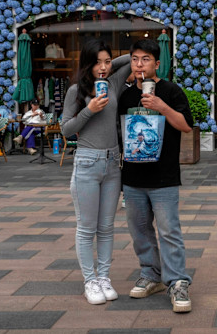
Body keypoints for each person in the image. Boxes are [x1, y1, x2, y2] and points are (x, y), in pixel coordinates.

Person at [118, 39, 194, 312]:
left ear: (157, 63)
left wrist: (162, 107)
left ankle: (177, 282)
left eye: (146, 59)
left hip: (164, 177)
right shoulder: (125, 96)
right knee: (139, 230)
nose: (140, 64)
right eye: (135, 59)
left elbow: (186, 126)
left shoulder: (172, 91)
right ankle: (151, 274)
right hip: (133, 177)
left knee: (169, 231)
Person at [61, 39, 131, 305]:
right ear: (87, 64)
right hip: (87, 163)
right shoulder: (76, 92)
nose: (102, 67)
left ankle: (104, 277)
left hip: (113, 163)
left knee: (107, 227)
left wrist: (112, 63)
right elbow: (66, 129)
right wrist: (89, 110)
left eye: (106, 61)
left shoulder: (113, 82)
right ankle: (89, 281)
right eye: (97, 62)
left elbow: (130, 58)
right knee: (86, 228)